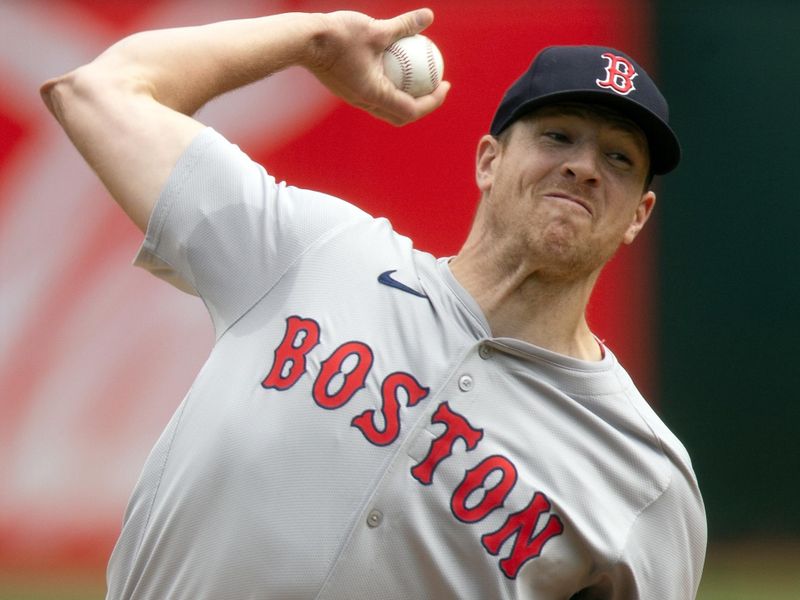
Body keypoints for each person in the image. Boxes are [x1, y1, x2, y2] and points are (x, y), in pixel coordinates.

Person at [41, 7, 706, 600]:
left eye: (619, 158)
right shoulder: (314, 251)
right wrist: (312, 39)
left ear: (638, 217)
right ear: (488, 161)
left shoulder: (644, 476)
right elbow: (97, 92)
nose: (585, 166)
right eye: (558, 136)